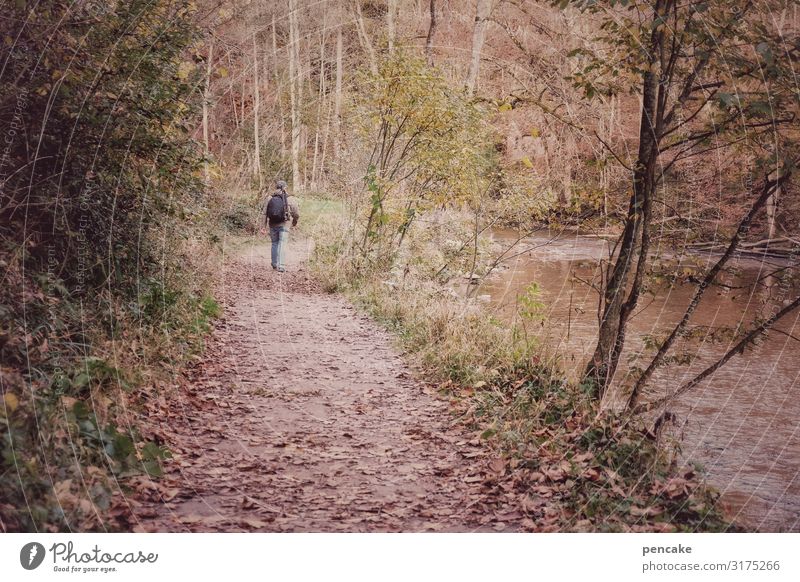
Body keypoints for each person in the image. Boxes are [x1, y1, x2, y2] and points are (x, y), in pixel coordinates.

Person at [262, 180, 300, 272]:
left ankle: (274, 264)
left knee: (274, 243)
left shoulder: (269, 198)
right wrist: (294, 222)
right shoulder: (290, 198)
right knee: (282, 244)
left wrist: (263, 226)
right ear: (285, 187)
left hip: (272, 224)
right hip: (285, 224)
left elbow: (264, 213)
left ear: (276, 187)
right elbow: (296, 213)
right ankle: (281, 265)